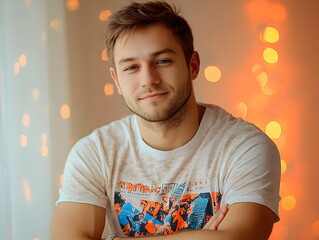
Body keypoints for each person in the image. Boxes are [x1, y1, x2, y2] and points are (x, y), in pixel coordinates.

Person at [51, 1, 281, 239]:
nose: (148, 79)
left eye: (162, 61)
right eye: (131, 67)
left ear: (193, 65)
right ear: (117, 81)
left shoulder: (245, 147)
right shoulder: (96, 153)